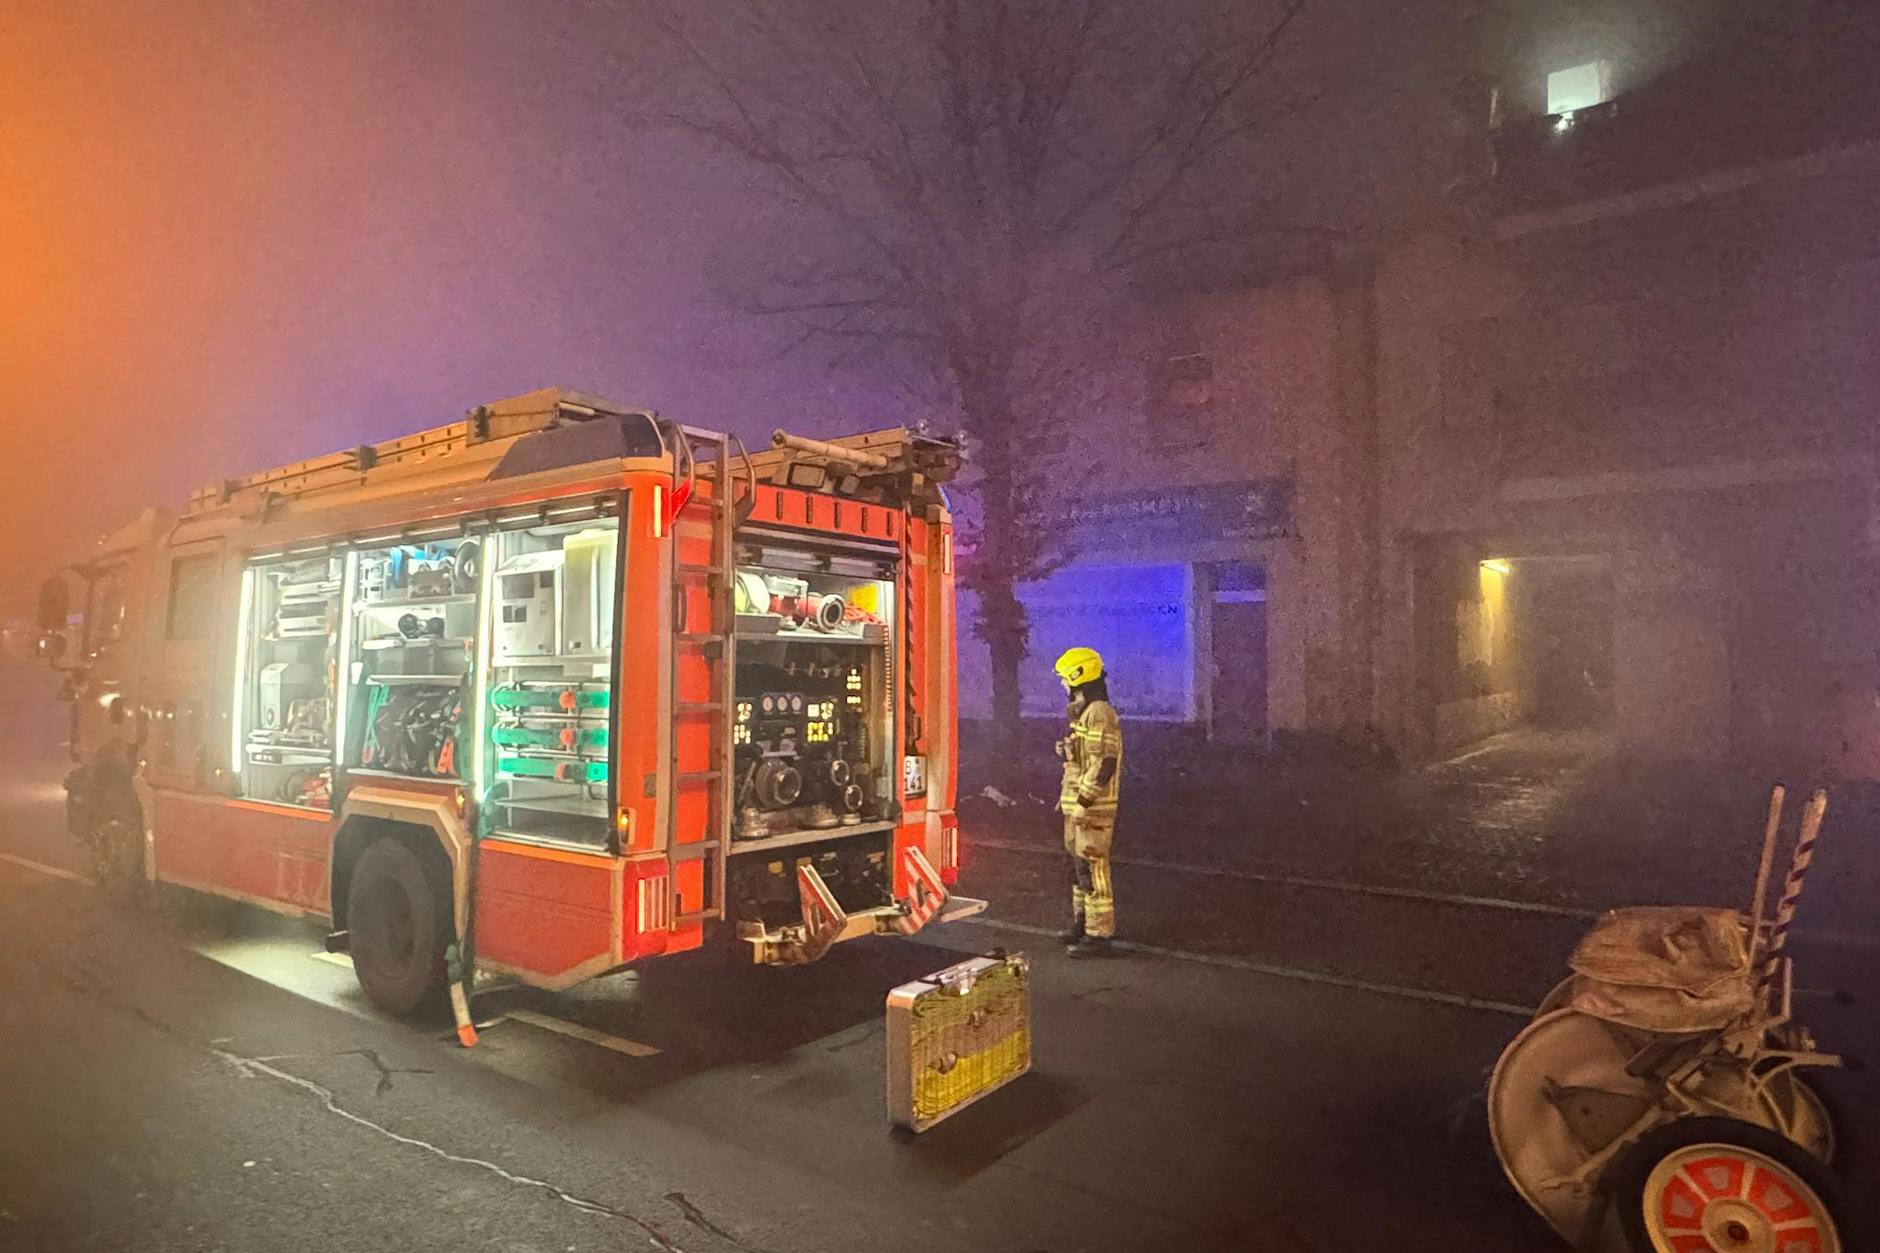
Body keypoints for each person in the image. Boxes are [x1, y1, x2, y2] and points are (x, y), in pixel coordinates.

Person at [1053, 646, 1122, 957]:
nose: (1063, 685)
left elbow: (1104, 763)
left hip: (1091, 808)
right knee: (1079, 869)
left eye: (1065, 679)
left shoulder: (1099, 713)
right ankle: (1082, 923)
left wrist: (1084, 801)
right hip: (1076, 805)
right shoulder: (1086, 713)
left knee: (1093, 869)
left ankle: (1099, 935)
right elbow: (1087, 757)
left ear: (1078, 676)